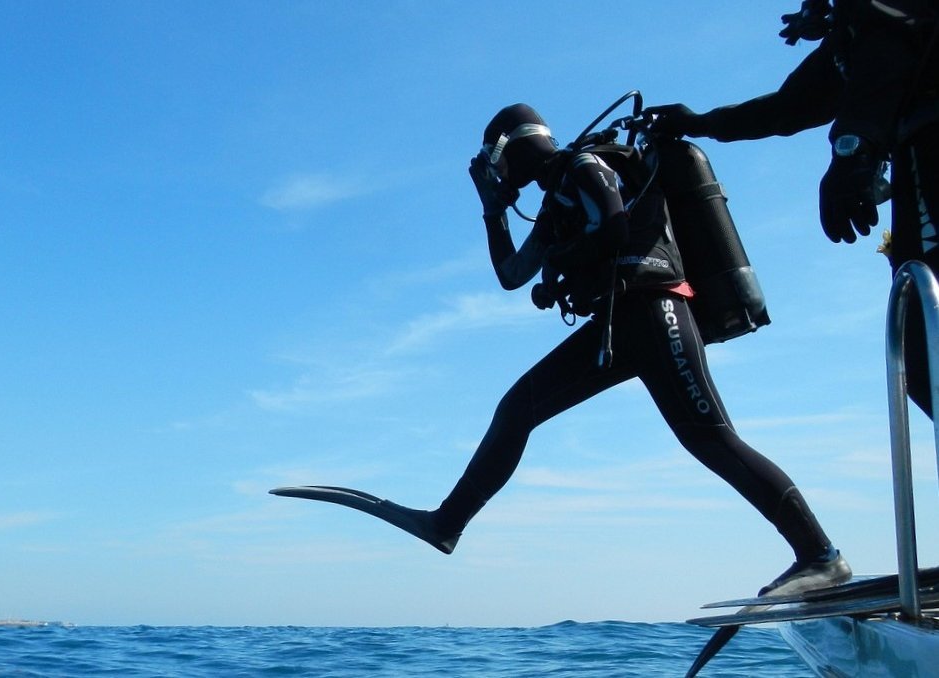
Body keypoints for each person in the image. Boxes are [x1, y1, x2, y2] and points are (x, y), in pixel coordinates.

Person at [275, 102, 851, 597]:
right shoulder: (555, 202)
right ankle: (446, 524)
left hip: (655, 311)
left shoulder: (582, 166)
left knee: (712, 439)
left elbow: (617, 229)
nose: (496, 172)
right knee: (518, 408)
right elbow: (510, 273)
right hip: (622, 326)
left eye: (495, 162)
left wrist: (562, 272)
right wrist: (493, 208)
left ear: (510, 150)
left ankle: (821, 556)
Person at [648, 0, 939, 416]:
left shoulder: (876, 19)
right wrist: (700, 123)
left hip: (928, 147)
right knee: (921, 350)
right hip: (917, 151)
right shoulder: (853, 33)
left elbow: (888, 52)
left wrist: (852, 149)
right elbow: (791, 106)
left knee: (925, 346)